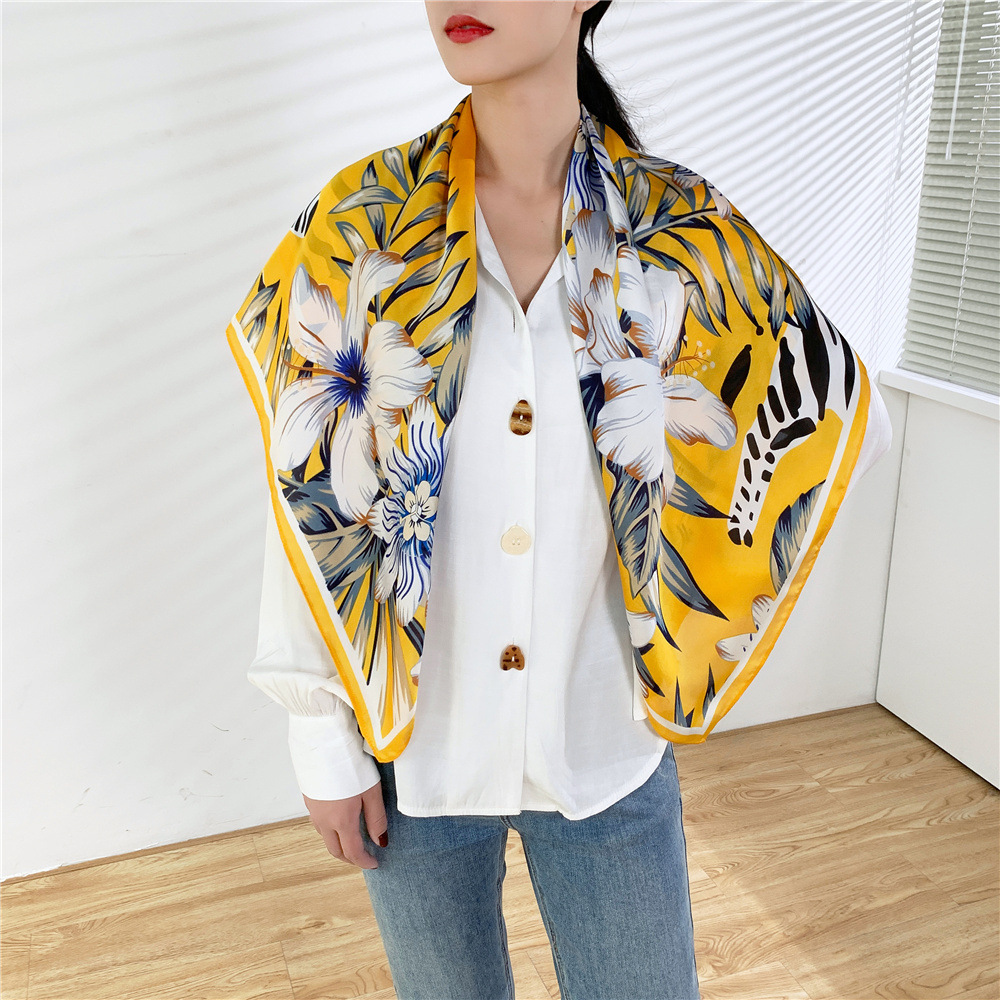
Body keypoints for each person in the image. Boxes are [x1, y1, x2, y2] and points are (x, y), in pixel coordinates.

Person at [229, 2, 892, 998]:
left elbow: (834, 416)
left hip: (604, 748)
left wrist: (696, 600)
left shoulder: (674, 231)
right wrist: (318, 729)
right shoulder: (363, 224)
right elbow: (304, 492)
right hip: (415, 756)